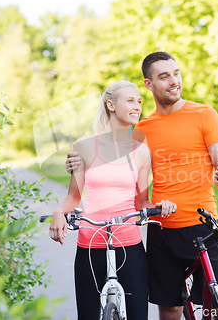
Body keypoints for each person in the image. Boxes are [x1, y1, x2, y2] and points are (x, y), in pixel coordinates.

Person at [66, 52, 218, 320]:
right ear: (149, 84)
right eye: (164, 76)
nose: (173, 81)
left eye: (176, 73)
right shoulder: (142, 127)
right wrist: (78, 163)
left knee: (217, 307)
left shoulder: (205, 115)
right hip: (160, 229)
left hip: (202, 226)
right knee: (169, 308)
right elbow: (120, 166)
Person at [50, 80, 176, 320]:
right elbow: (73, 197)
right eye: (130, 100)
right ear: (110, 104)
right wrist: (59, 213)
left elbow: (142, 204)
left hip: (129, 244)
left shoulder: (141, 151)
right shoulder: (84, 146)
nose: (138, 106)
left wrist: (161, 207)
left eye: (139, 101)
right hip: (90, 245)